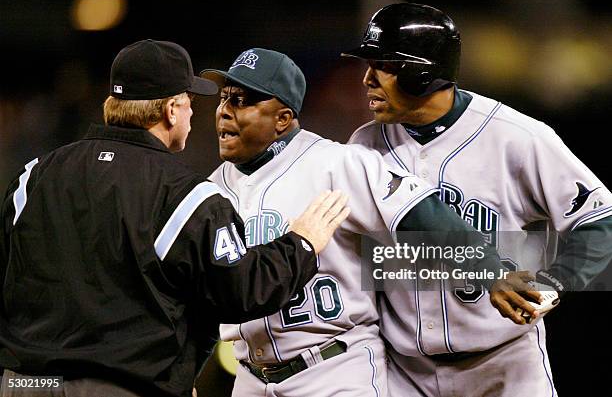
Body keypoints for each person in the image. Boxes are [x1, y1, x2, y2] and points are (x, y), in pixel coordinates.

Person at [0, 39, 351, 397]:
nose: (196, 114)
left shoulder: (34, 176)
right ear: (170, 109)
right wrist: (301, 243)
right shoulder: (183, 193)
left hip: (24, 383)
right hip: (120, 386)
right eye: (189, 103)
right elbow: (243, 291)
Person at [200, 48, 532, 397]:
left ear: (283, 118)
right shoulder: (211, 190)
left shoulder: (337, 164)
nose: (223, 112)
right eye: (224, 99)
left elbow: (419, 214)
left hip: (332, 370)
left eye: (240, 100)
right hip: (250, 378)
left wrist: (489, 268)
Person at [342, 3, 612, 397]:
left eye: (382, 65)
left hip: (505, 364)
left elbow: (601, 219)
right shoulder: (363, 144)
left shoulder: (515, 136)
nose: (367, 79)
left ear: (421, 73)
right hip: (404, 370)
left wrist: (557, 281)